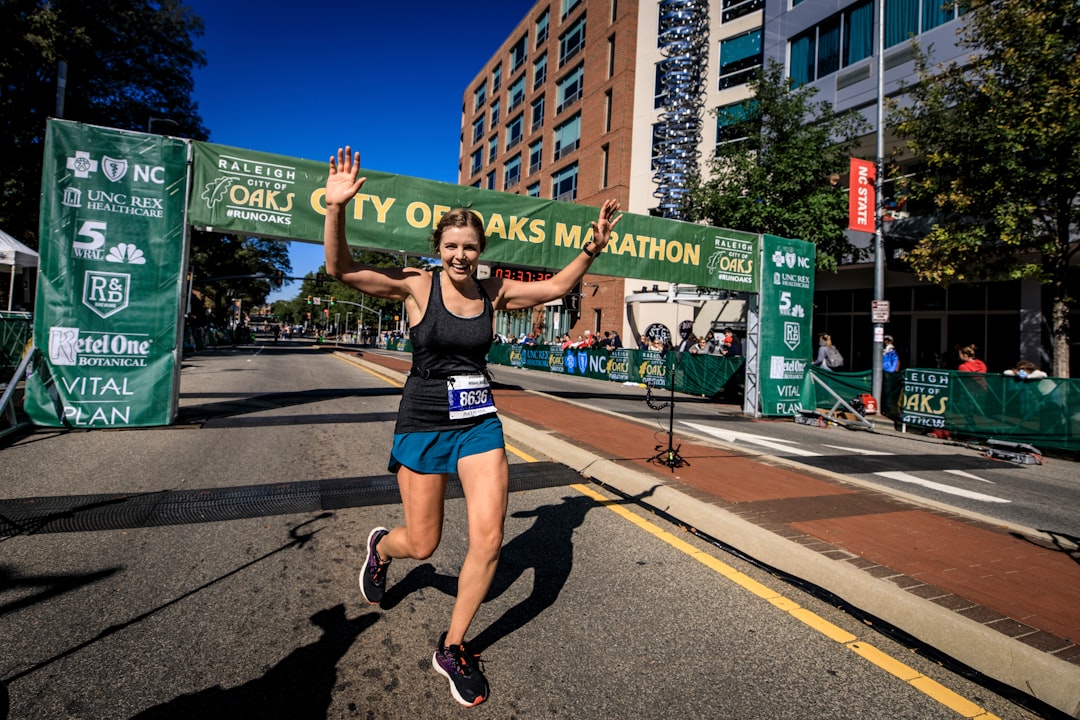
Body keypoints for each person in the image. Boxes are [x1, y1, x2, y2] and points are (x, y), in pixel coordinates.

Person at [323, 145, 621, 708]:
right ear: (438, 249)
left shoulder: (493, 292)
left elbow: (556, 288)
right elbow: (340, 269)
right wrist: (335, 209)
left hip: (479, 422)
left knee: (489, 538)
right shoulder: (415, 286)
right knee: (425, 540)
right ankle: (384, 549)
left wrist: (591, 248)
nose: (461, 256)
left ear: (482, 252)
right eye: (452, 247)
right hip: (423, 421)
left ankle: (453, 645)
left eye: (470, 248)